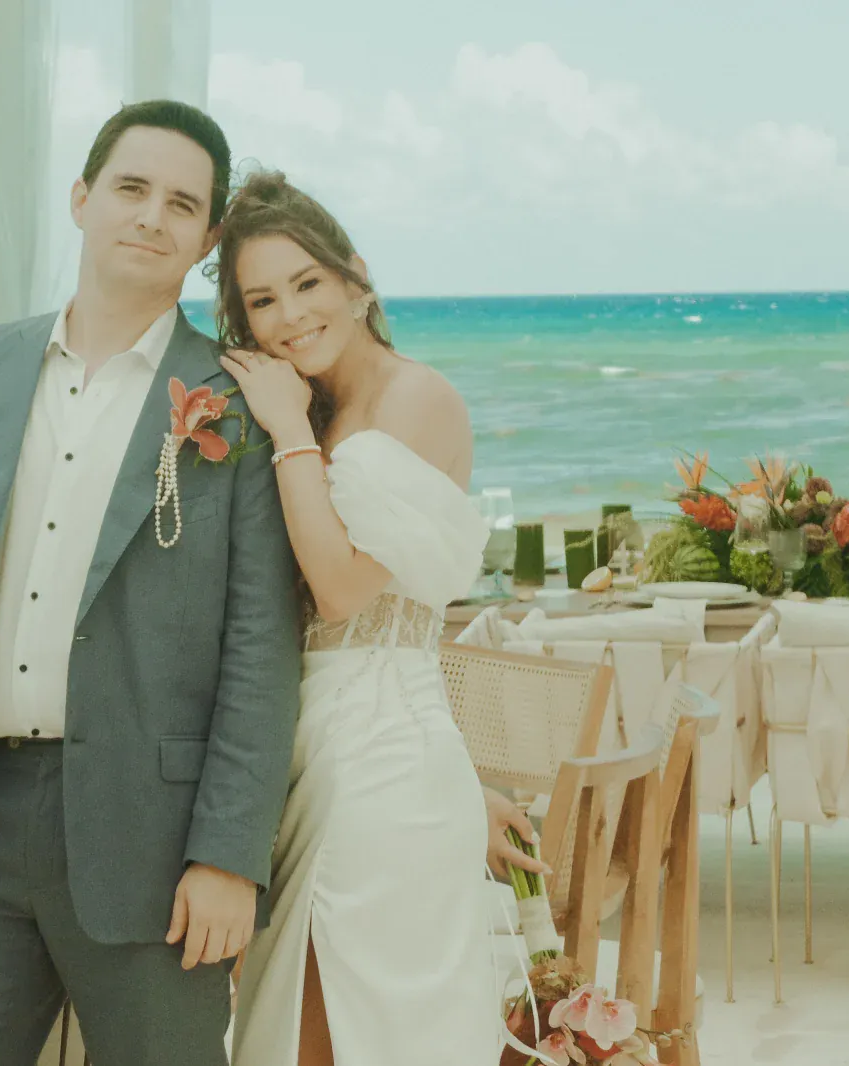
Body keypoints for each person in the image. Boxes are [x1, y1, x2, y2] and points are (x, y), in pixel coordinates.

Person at [0, 100, 301, 1066]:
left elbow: (261, 650)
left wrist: (229, 856)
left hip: (158, 846)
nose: (151, 216)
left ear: (207, 239)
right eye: (131, 188)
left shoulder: (237, 400)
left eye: (182, 204)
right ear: (81, 198)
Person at [215, 169, 550, 1066]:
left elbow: (342, 592)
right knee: (294, 1026)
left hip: (380, 774)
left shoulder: (414, 398)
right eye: (263, 301)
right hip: (316, 754)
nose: (290, 316)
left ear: (355, 278)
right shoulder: (318, 406)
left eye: (307, 283)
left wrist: (287, 428)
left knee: (356, 1028)